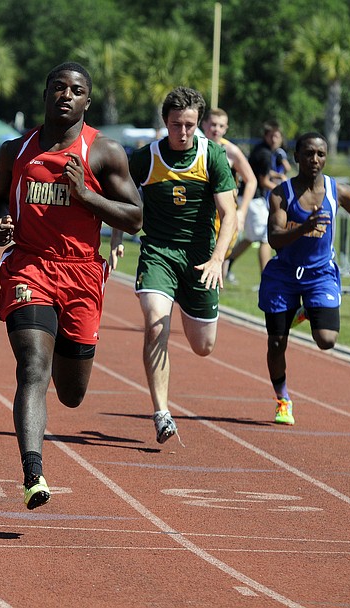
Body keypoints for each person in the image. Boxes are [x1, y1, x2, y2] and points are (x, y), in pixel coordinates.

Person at [0, 62, 142, 509]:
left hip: (82, 275)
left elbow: (135, 217)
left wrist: (87, 196)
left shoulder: (105, 153)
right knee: (32, 366)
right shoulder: (15, 150)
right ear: (46, 93)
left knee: (71, 394)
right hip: (29, 266)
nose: (66, 95)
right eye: (58, 87)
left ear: (87, 101)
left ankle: (65, 351)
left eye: (76, 90)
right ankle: (33, 472)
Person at [113, 86, 237, 446]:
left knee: (203, 346)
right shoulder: (145, 158)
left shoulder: (212, 155)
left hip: (201, 260)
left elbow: (229, 214)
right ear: (164, 122)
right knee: (155, 325)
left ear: (198, 123)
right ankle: (162, 412)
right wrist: (118, 237)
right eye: (175, 125)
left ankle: (190, 302)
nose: (182, 133)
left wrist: (217, 260)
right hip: (159, 253)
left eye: (189, 125)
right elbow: (120, 197)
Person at [258, 132, 350, 425]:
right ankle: (283, 400)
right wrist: (305, 227)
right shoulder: (281, 195)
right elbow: (274, 239)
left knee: (327, 340)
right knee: (276, 344)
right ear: (296, 156)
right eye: (308, 154)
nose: (315, 160)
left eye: (320, 154)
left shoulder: (338, 191)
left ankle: (306, 310)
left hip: (320, 273)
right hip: (284, 274)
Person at [223, 120, 287, 282]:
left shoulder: (262, 150)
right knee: (266, 237)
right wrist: (283, 190)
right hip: (252, 198)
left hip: (247, 196)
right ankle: (267, 278)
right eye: (271, 136)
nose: (274, 139)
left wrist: (277, 175)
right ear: (266, 136)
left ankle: (226, 261)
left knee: (251, 238)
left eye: (277, 136)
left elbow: (262, 172)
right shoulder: (264, 154)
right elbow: (263, 181)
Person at [201, 108, 256, 255]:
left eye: (221, 126)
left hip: (223, 212)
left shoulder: (231, 151)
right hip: (200, 211)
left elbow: (251, 180)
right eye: (213, 124)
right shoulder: (195, 147)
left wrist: (242, 212)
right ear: (204, 124)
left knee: (220, 256)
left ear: (226, 129)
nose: (216, 129)